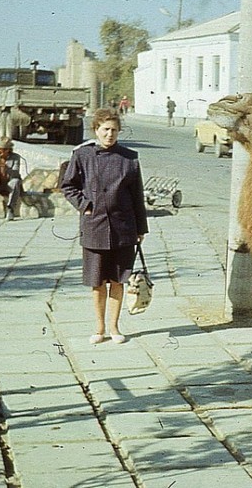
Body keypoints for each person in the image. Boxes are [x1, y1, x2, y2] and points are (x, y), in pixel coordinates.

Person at [60, 108, 148, 345]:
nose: (110, 134)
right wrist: (85, 206)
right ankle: (99, 329)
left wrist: (140, 229)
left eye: (114, 130)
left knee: (118, 281)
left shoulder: (129, 158)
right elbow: (68, 185)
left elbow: (137, 196)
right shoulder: (82, 155)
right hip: (95, 227)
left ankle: (115, 327)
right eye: (105, 129)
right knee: (97, 282)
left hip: (123, 229)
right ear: (96, 130)